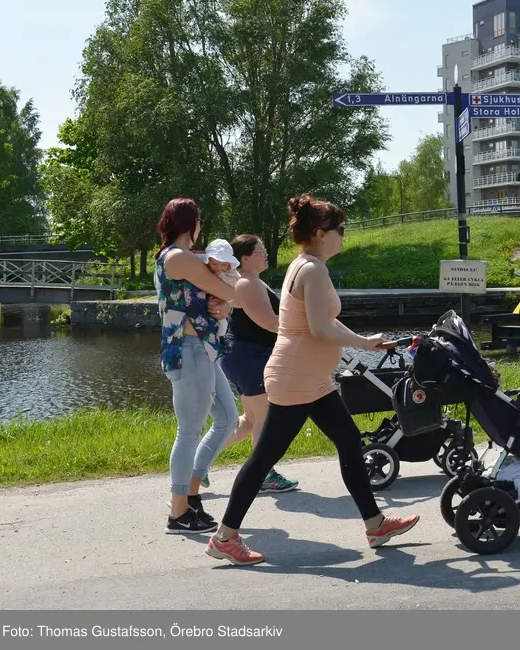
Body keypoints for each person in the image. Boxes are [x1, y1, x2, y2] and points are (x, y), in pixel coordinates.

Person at [206, 195, 420, 565]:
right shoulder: (313, 270)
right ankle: (224, 537)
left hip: (311, 378)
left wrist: (364, 341)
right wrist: (363, 342)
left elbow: (322, 321)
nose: (343, 236)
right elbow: (320, 329)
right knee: (264, 457)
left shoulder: (305, 264)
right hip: (295, 378)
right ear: (321, 233)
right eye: (340, 230)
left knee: (349, 441)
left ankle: (375, 525)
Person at [154, 198, 241, 535]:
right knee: (189, 430)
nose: (201, 226)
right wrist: (228, 301)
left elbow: (222, 298)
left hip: (204, 349)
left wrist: (226, 309)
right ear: (191, 224)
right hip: (187, 351)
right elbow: (227, 289)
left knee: (227, 419)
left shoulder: (188, 259)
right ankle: (178, 513)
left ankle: (191, 493)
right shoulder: (178, 257)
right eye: (199, 220)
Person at [216, 234, 298, 494]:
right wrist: (306, 327)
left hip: (244, 356)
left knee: (251, 419)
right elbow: (269, 322)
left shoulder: (250, 281)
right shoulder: (247, 283)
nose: (266, 254)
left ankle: (200, 460)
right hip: (249, 356)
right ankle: (264, 476)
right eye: (261, 251)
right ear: (245, 258)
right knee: (263, 418)